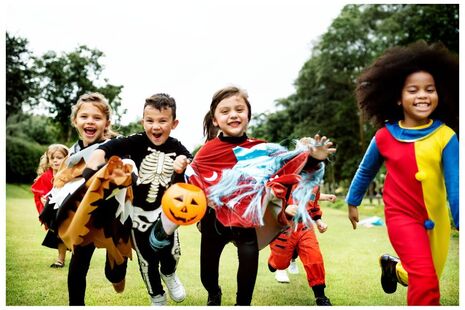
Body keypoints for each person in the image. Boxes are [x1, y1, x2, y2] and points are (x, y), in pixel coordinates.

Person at [187, 86, 336, 306]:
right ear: (216, 120)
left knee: (248, 266)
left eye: (239, 109)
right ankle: (214, 293)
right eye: (225, 111)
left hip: (248, 219)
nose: (233, 114)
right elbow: (192, 178)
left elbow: (291, 165)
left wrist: (314, 158)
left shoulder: (262, 149)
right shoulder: (207, 151)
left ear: (248, 115)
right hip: (214, 220)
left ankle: (242, 304)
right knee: (207, 274)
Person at [346, 41, 459, 306]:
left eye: (429, 90)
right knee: (426, 280)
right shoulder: (384, 136)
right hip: (401, 216)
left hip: (437, 219)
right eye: (413, 90)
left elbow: (456, 184)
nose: (423, 95)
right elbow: (366, 171)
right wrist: (353, 201)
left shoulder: (447, 136)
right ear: (398, 97)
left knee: (424, 274)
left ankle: (392, 268)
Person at [86, 93, 192, 306]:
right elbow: (106, 148)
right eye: (150, 120)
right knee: (147, 260)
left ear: (174, 123)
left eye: (163, 121)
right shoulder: (134, 142)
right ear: (142, 121)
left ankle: (169, 273)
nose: (155, 126)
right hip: (138, 215)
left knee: (172, 253)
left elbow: (191, 163)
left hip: (166, 213)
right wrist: (92, 166)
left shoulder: (176, 146)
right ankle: (157, 296)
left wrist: (184, 162)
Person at [40, 92, 128, 306]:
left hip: (113, 221)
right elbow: (63, 184)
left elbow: (129, 175)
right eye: (84, 117)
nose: (90, 121)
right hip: (84, 219)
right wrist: (52, 198)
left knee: (115, 276)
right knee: (77, 268)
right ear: (75, 121)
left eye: (97, 118)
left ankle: (116, 271)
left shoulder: (117, 147)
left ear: (106, 122)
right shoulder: (71, 155)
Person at [268, 186, 336, 306]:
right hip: (285, 227)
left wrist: (319, 221)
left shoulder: (314, 183)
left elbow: (313, 206)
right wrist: (284, 210)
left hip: (305, 227)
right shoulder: (284, 176)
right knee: (280, 264)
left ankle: (320, 296)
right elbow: (268, 200)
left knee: (314, 258)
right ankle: (274, 261)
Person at [31, 143, 69, 268]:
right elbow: (39, 191)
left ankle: (77, 256)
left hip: (69, 210)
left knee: (72, 234)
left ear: (66, 158)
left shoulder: (70, 174)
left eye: (59, 157)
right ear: (48, 160)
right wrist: (43, 200)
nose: (56, 161)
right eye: (52, 158)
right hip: (54, 212)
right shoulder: (46, 176)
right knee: (58, 233)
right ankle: (60, 259)